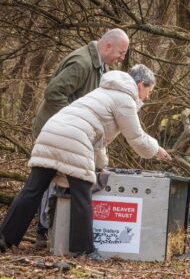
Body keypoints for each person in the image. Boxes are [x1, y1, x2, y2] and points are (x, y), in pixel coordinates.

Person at [0, 65, 172, 261]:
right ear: (140, 85)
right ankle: (84, 250)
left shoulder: (103, 91)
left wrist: (100, 165)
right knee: (82, 194)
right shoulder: (125, 100)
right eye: (149, 91)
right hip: (74, 139)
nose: (147, 97)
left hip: (51, 132)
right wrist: (156, 149)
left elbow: (98, 139)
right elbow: (137, 138)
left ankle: (4, 237)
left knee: (32, 190)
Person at [32, 28, 130, 247]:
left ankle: (55, 233)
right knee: (46, 182)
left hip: (71, 134)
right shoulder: (82, 63)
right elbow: (53, 93)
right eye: (121, 53)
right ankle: (43, 232)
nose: (122, 58)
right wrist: (71, 121)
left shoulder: (100, 66)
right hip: (55, 131)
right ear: (107, 46)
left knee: (60, 182)